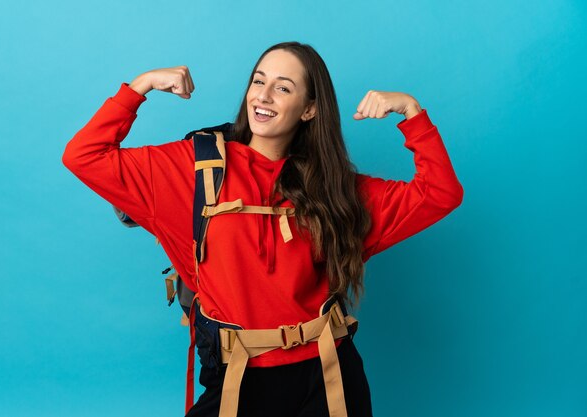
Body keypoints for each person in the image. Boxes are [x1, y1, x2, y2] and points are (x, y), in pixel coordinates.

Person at [62, 41, 463, 417]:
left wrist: (412, 113)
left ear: (309, 109)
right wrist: (139, 87)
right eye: (259, 81)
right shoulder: (195, 169)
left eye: (283, 88)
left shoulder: (334, 187)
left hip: (328, 375)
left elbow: (440, 194)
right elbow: (84, 156)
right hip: (238, 376)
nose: (264, 96)